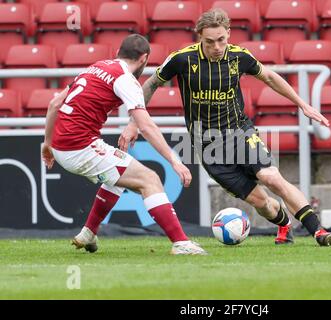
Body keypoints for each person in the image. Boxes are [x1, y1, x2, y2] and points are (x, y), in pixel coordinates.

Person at [120, 9, 331, 246]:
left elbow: (269, 77)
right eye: (210, 41)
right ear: (200, 37)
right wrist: (134, 122)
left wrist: (302, 104)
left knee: (271, 177)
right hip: (208, 146)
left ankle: (318, 231)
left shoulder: (239, 57)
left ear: (228, 34)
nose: (217, 46)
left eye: (221, 40)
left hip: (239, 132)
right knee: (261, 202)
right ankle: (284, 224)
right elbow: (151, 83)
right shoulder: (182, 59)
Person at [41, 34, 207, 255]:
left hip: (62, 146)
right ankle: (181, 243)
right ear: (144, 58)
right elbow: (146, 126)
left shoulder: (96, 67)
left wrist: (47, 144)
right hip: (79, 147)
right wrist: (174, 162)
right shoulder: (126, 78)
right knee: (150, 179)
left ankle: (89, 232)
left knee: (117, 176)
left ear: (119, 52)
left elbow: (54, 104)